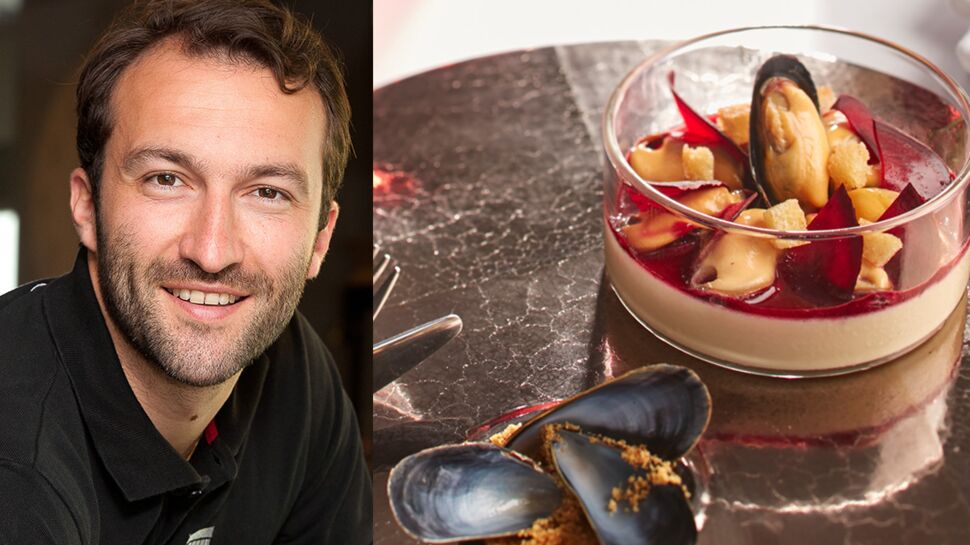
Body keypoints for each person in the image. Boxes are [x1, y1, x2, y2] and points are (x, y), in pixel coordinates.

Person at [0, 1, 371, 543]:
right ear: (86, 206)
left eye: (267, 193)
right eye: (167, 179)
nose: (213, 251)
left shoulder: (292, 373)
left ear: (321, 238)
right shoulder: (18, 472)